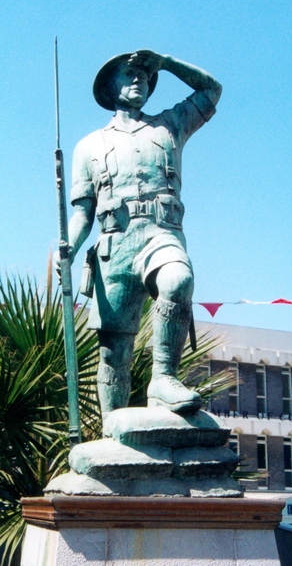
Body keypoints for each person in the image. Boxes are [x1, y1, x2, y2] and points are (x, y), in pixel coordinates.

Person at [66, 50, 222, 420]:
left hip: (160, 233)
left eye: (144, 76)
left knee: (178, 280)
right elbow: (82, 212)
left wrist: (166, 62)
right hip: (114, 244)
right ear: (110, 86)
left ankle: (163, 379)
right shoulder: (88, 146)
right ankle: (113, 428)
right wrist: (68, 250)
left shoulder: (170, 125)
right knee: (113, 351)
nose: (139, 80)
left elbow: (212, 90)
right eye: (129, 74)